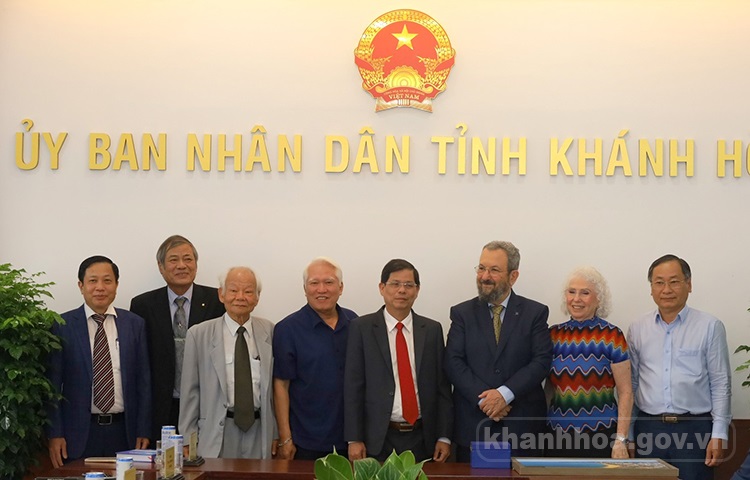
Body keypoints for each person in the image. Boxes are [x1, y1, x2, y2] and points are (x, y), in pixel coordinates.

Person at [445, 240, 552, 461]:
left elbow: (541, 361)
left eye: (494, 270)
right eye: (481, 268)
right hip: (474, 427)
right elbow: (453, 363)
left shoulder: (535, 313)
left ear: (513, 276)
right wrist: (487, 401)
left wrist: (504, 394)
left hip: (522, 429)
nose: (485, 276)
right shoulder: (461, 313)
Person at [628, 254, 731, 480]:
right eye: (659, 282)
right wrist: (629, 434)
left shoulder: (710, 326)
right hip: (649, 428)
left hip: (695, 430)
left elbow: (721, 382)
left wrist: (719, 433)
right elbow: (633, 384)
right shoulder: (637, 328)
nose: (666, 289)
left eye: (674, 281)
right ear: (651, 288)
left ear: (689, 284)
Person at [47, 256, 151, 467]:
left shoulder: (134, 324)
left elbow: (144, 382)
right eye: (93, 281)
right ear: (81, 286)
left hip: (124, 432)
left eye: (107, 281)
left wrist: (143, 428)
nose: (100, 288)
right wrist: (54, 434)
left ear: (116, 285)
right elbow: (52, 387)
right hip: (78, 434)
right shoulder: (62, 326)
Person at [344, 259, 452, 462]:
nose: (402, 290)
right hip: (377, 438)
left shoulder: (432, 330)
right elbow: (353, 386)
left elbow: (442, 388)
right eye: (395, 284)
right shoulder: (361, 328)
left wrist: (444, 436)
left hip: (422, 437)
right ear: (382, 288)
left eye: (409, 285)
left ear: (417, 290)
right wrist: (354, 439)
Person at [129, 235, 225, 441]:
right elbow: (139, 363)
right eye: (173, 260)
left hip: (206, 407)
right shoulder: (142, 305)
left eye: (188, 259)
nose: (182, 265)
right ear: (161, 266)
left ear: (196, 265)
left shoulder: (218, 301)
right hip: (161, 409)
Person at [179, 266, 276, 459]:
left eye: (248, 291)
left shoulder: (271, 332)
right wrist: (187, 439)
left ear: (257, 298)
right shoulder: (199, 334)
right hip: (217, 431)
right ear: (221, 295)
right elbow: (190, 392)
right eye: (233, 290)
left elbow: (275, 390)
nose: (240, 297)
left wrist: (277, 434)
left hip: (259, 431)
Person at [272, 257, 358, 460]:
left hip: (351, 439)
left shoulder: (355, 322)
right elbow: (281, 386)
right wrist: (285, 438)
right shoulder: (287, 329)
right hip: (306, 441)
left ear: (341, 287)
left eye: (329, 282)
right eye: (314, 283)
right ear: (305, 288)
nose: (322, 289)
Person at [546, 266, 632, 458]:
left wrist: (621, 440)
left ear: (599, 298)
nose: (576, 299)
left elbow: (625, 392)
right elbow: (549, 389)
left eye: (585, 293)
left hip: (601, 435)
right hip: (557, 434)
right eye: (571, 292)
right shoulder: (552, 335)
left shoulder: (612, 336)